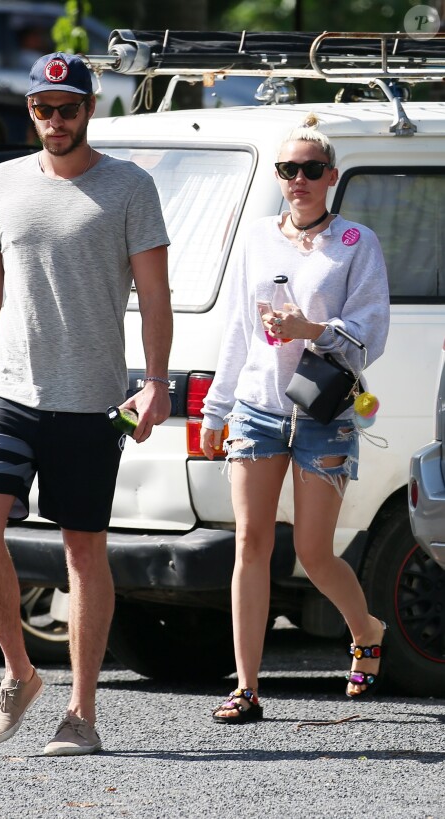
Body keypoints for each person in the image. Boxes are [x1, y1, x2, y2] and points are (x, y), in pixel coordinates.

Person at [0, 52, 172, 755]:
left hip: (91, 400)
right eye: (44, 109)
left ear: (90, 108)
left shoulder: (129, 186)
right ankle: (20, 672)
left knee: (84, 550)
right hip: (13, 390)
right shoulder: (1, 183)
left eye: (68, 108)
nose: (55, 120)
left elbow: (156, 295)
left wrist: (157, 379)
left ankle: (81, 712)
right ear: (31, 112)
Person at [201, 113, 390, 725]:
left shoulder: (356, 242)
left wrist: (312, 330)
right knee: (251, 544)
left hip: (323, 412)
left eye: (311, 169)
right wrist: (216, 407)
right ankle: (247, 688)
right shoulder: (257, 238)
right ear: (279, 177)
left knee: (313, 553)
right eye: (289, 170)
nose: (300, 179)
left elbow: (372, 333)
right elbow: (235, 327)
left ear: (332, 176)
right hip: (257, 410)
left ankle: (365, 629)